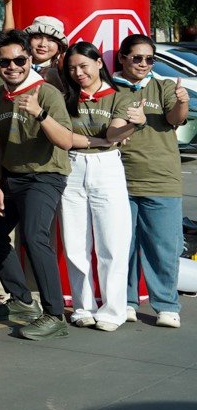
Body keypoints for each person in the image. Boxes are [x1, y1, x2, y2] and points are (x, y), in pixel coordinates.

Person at [0, 30, 74, 340]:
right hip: (12, 177)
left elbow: (65, 141)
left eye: (19, 60)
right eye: (5, 62)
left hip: (45, 176)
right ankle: (23, 301)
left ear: (30, 59)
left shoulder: (47, 93)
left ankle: (55, 315)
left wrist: (40, 113)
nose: (13, 66)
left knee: (35, 237)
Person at [59, 41, 138, 332]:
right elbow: (64, 136)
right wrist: (98, 140)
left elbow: (115, 133)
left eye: (84, 66)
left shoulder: (118, 96)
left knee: (112, 243)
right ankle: (83, 307)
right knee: (75, 243)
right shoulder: (65, 98)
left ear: (99, 63)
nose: (79, 73)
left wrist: (132, 125)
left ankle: (114, 310)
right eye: (72, 68)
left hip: (107, 168)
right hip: (72, 167)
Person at [114, 34, 189, 328]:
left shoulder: (164, 86)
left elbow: (174, 119)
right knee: (125, 247)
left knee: (163, 248)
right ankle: (127, 302)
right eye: (137, 58)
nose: (144, 63)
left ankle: (167, 306)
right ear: (122, 58)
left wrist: (182, 102)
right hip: (119, 179)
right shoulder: (111, 88)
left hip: (161, 180)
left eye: (149, 59)